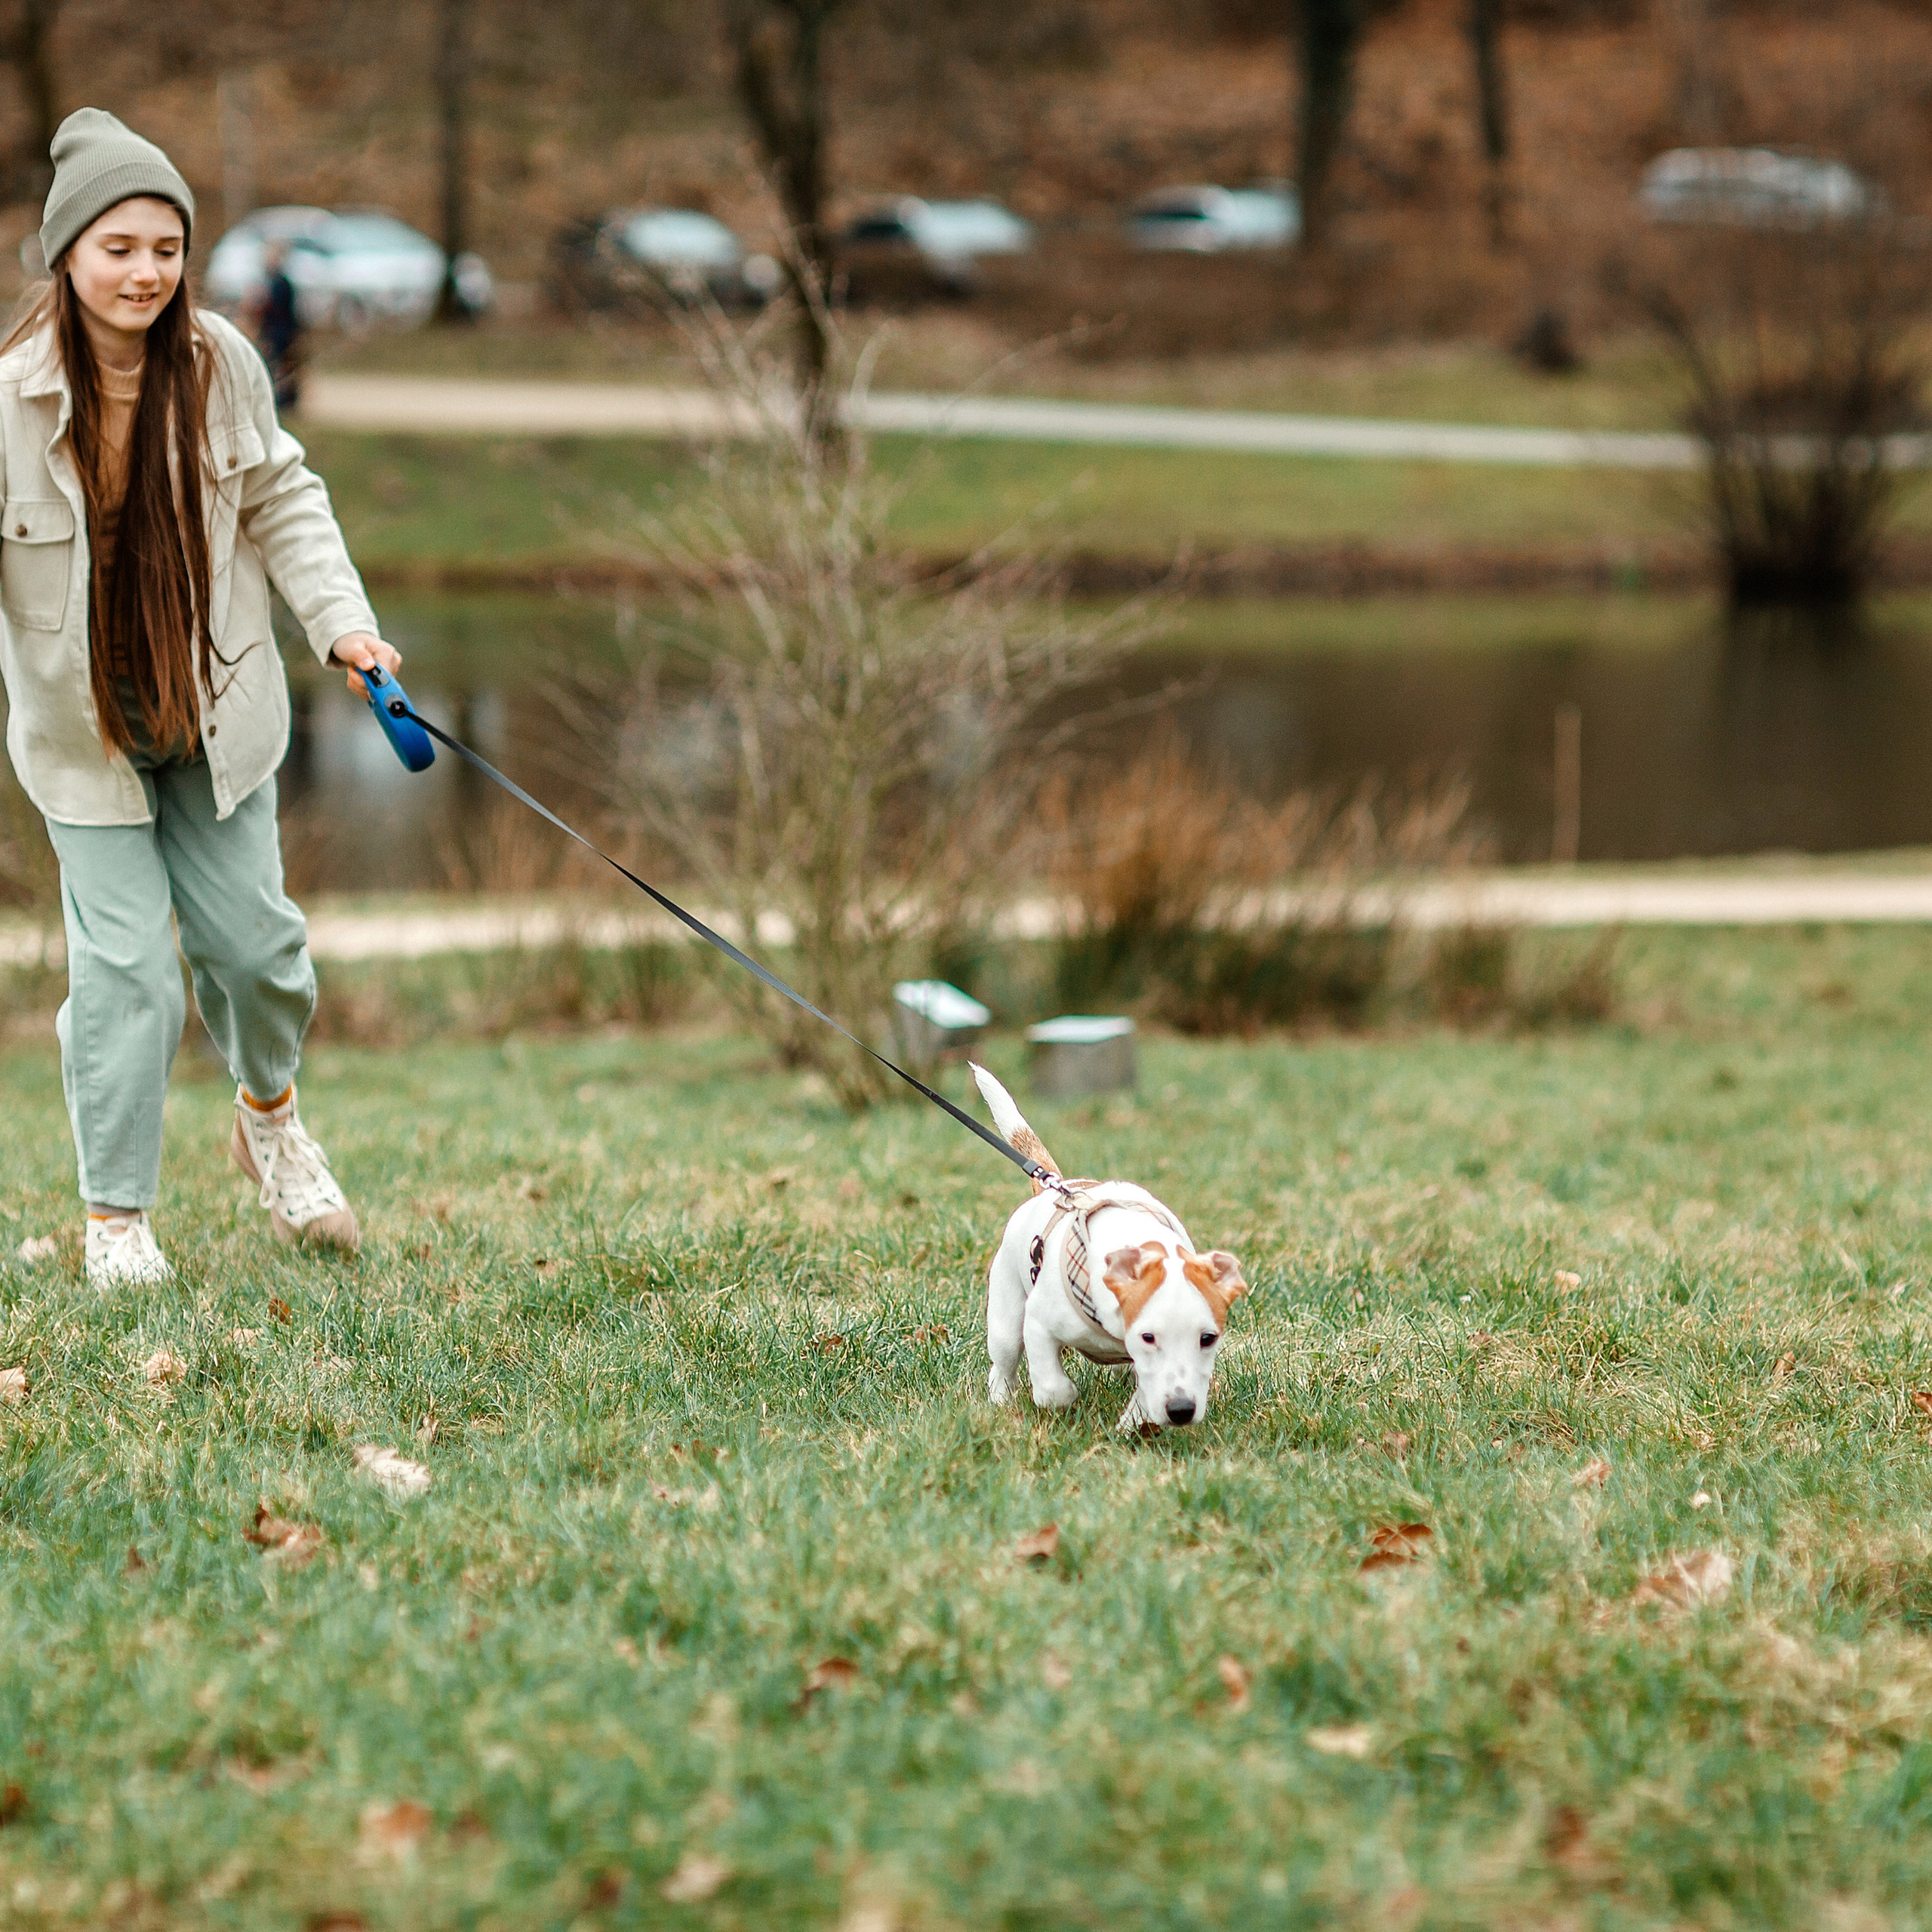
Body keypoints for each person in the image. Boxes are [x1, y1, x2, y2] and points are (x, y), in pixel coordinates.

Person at [0, 109, 401, 1284]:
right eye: (118, 247)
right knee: (124, 978)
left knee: (259, 952)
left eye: (166, 248)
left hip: (215, 718)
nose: (145, 272)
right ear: (67, 254)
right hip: (85, 746)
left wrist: (346, 626)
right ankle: (116, 1220)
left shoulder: (220, 362)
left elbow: (283, 497)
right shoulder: (11, 404)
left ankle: (269, 1121)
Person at [254, 238, 303, 411]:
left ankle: (285, 400)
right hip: (274, 331)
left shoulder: (281, 284)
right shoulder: (272, 282)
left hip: (280, 332)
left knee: (282, 367)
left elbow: (280, 310)